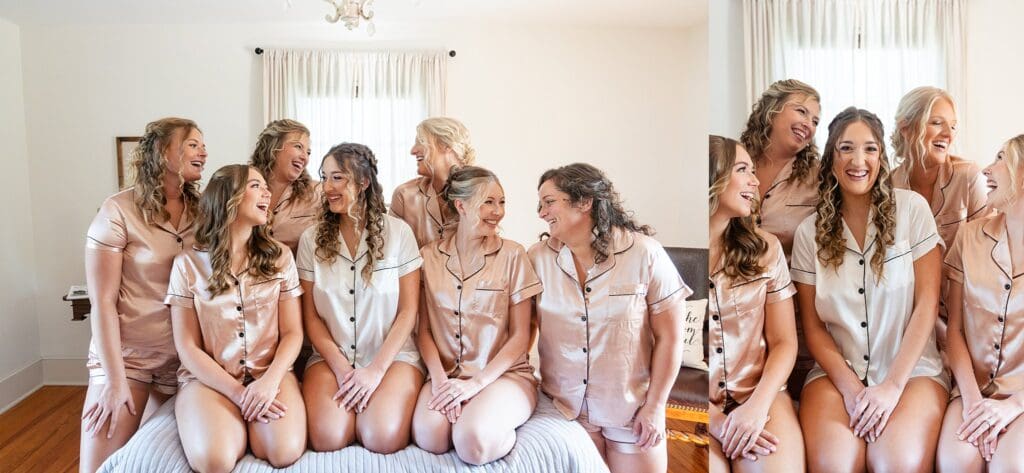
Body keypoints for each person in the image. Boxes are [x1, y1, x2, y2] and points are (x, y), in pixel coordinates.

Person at [791, 107, 947, 472]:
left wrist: (891, 386)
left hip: (912, 371)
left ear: (882, 156)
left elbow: (927, 304)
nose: (858, 160)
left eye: (870, 149)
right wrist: (851, 389)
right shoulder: (808, 234)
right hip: (836, 375)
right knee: (836, 465)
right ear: (831, 158)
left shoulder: (913, 210)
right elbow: (813, 328)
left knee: (896, 462)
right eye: (846, 148)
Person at [528, 163, 689, 473]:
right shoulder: (537, 259)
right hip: (564, 413)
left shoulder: (645, 254)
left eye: (549, 202)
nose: (541, 212)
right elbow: (522, 332)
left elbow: (671, 338)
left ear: (584, 202)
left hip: (632, 411)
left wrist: (655, 408)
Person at [80, 117, 205, 473]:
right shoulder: (117, 211)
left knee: (150, 464)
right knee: (98, 467)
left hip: (181, 362)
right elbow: (102, 302)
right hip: (128, 360)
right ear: (164, 152)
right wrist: (114, 380)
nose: (204, 151)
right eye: (193, 144)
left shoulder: (204, 212)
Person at [167, 165, 306, 472]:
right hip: (209, 380)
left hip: (270, 373)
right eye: (256, 185)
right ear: (228, 198)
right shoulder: (187, 265)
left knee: (284, 452)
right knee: (214, 461)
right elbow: (187, 346)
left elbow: (293, 333)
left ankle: (243, 424)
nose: (267, 193)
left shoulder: (281, 257)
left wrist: (269, 383)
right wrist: (239, 395)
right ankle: (227, 423)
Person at [298, 143, 424, 454]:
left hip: (391, 358)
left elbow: (408, 312)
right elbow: (311, 318)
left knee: (382, 438)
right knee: (327, 438)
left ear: (363, 182)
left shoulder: (400, 234)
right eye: (324, 177)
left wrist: (376, 371)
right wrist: (342, 369)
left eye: (337, 178)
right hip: (331, 359)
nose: (327, 187)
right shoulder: (310, 240)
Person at [411, 166, 541, 465]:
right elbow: (424, 331)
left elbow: (522, 336)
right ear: (461, 205)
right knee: (430, 437)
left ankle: (494, 425)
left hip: (503, 376)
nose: (498, 212)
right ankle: (473, 413)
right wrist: (440, 380)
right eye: (489, 202)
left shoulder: (513, 255)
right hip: (448, 374)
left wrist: (476, 385)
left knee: (472, 443)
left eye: (502, 202)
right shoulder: (427, 257)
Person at [707, 136, 804, 472]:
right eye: (743, 169)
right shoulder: (665, 261)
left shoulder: (767, 250)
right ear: (714, 176)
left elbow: (784, 342)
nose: (756, 180)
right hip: (697, 406)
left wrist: (758, 408)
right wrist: (716, 422)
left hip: (762, 393)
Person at [936, 134, 1024, 471]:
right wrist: (972, 401)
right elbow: (954, 329)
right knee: (955, 462)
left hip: (1022, 397)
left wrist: (1013, 405)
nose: (987, 169)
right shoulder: (970, 236)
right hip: (971, 389)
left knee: (1011, 466)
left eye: (1001, 158)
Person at [890, 87, 988, 343]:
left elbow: (987, 263)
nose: (948, 134)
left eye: (953, 126)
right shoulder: (886, 191)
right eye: (936, 123)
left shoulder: (969, 178)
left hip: (968, 320)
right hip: (909, 324)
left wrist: (953, 338)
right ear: (906, 128)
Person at [390, 117, 476, 247]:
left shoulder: (480, 190)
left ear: (446, 145)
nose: (413, 150)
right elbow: (392, 254)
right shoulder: (404, 195)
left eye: (420, 141)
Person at [249, 119, 320, 255]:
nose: (305, 157)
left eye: (308, 152)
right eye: (298, 147)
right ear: (274, 146)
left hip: (293, 275)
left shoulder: (318, 192)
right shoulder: (241, 184)